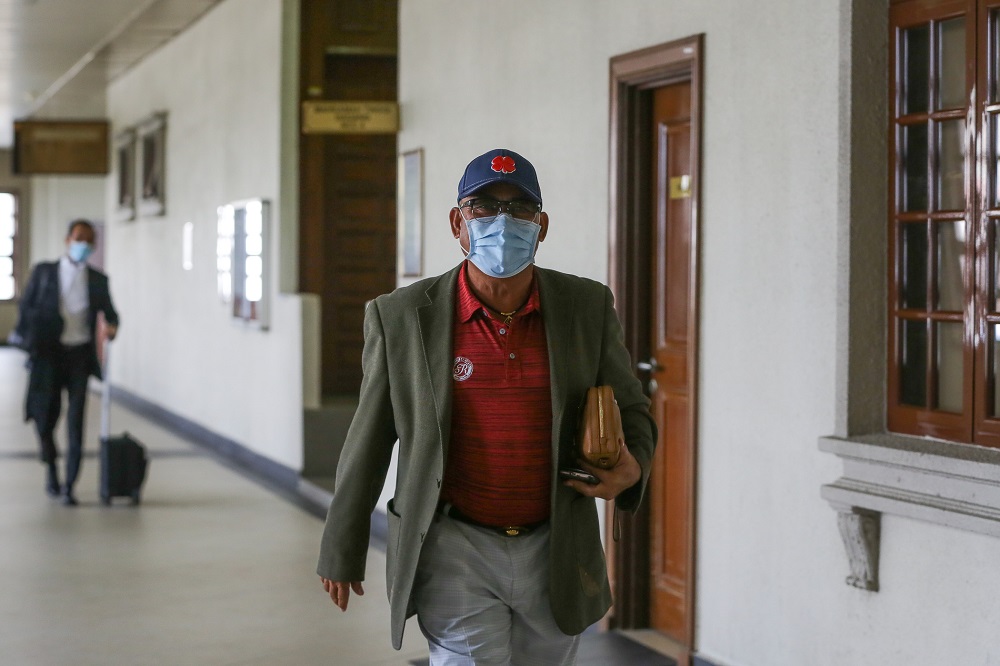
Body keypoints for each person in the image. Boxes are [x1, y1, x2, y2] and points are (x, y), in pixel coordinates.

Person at [316, 148, 656, 664]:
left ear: (541, 226)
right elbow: (369, 438)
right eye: (484, 207)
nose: (503, 221)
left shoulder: (585, 306)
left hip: (556, 544)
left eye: (520, 208)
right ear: (458, 223)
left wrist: (633, 469)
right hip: (454, 543)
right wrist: (342, 546)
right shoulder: (403, 317)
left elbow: (633, 409)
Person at [15, 219, 119, 506]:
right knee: (44, 417)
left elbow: (112, 314)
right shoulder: (44, 272)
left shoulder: (98, 280)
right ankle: (51, 468)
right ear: (67, 240)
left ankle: (69, 484)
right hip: (48, 355)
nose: (83, 244)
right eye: (78, 238)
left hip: (79, 358)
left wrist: (112, 327)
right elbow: (26, 308)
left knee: (75, 422)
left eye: (89, 240)